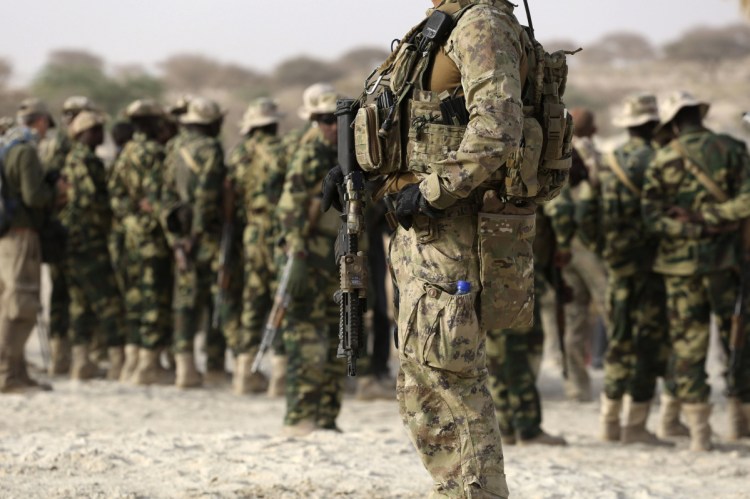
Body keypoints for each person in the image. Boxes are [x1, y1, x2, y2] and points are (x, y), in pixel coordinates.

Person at [332, 0, 567, 495]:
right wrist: (360, 170)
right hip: (423, 232)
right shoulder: (444, 24)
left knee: (450, 380)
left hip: (452, 233)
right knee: (425, 383)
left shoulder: (482, 23)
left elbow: (497, 127)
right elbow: (418, 126)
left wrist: (433, 192)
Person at [642, 91, 750, 450]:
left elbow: (652, 218)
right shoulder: (733, 149)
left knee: (688, 346)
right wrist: (715, 220)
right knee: (737, 341)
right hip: (729, 264)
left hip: (680, 268)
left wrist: (693, 226)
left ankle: (700, 435)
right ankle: (740, 422)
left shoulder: (662, 159)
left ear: (673, 123)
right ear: (697, 116)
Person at [577, 94, 678, 445]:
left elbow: (585, 212)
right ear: (654, 125)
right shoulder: (663, 160)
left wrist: (601, 248)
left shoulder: (608, 162)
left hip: (617, 265)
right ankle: (635, 425)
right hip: (655, 266)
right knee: (649, 343)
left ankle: (609, 422)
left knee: (618, 340)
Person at [277, 89, 347, 435]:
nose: (330, 127)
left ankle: (326, 417)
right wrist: (297, 253)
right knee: (305, 339)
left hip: (340, 256)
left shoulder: (352, 156)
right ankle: (300, 417)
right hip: (309, 255)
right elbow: (289, 210)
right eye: (322, 121)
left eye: (335, 120)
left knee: (341, 335)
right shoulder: (309, 154)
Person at [0, 98, 66, 393]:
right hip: (21, 234)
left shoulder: (7, 146)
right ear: (39, 122)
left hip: (7, 235)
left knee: (9, 303)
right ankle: (8, 374)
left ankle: (18, 371)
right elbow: (34, 197)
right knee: (22, 304)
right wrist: (55, 189)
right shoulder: (24, 151)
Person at [486, 206, 567, 447]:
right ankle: (526, 427)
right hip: (512, 274)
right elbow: (563, 212)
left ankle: (507, 425)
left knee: (500, 354)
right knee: (516, 352)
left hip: (500, 274)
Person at [544, 108, 609, 402]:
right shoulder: (586, 154)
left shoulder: (552, 149)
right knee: (608, 311)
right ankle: (620, 384)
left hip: (565, 248)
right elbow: (568, 205)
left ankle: (577, 386)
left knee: (573, 317)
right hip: (585, 247)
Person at [161, 97, 226, 388]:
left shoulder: (174, 147)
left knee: (184, 301)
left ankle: (184, 368)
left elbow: (165, 196)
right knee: (214, 298)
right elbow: (206, 197)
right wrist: (195, 236)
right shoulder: (210, 148)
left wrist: (176, 240)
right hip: (206, 237)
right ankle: (213, 365)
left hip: (179, 232)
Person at [110, 99, 174, 385]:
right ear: (152, 123)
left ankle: (132, 362)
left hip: (128, 236)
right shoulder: (156, 153)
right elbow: (160, 199)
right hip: (152, 240)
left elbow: (115, 197)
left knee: (134, 299)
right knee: (154, 299)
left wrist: (132, 214)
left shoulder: (124, 153)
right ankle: (148, 366)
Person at [228, 97, 287, 394]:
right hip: (278, 233)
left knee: (252, 300)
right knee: (280, 298)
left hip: (251, 231)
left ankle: (243, 372)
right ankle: (280, 373)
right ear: (274, 123)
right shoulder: (283, 151)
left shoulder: (239, 154)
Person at [61, 110, 126, 380]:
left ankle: (81, 362)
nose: (101, 135)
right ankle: (117, 362)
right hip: (88, 240)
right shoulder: (85, 160)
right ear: (82, 133)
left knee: (80, 303)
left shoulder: (71, 158)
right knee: (108, 300)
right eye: (95, 130)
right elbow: (90, 200)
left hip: (73, 239)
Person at [38, 96, 96, 376]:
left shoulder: (50, 145)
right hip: (70, 228)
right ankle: (72, 357)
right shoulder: (70, 147)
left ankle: (59, 357)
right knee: (75, 294)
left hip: (54, 227)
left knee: (59, 294)